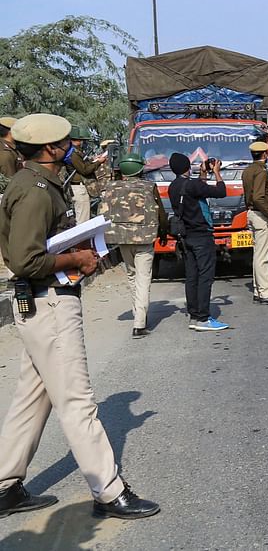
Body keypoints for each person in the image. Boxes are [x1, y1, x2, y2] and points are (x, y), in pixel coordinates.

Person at [0, 113, 160, 520]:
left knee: (31, 400)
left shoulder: (33, 182)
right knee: (77, 400)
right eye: (67, 143)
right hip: (51, 301)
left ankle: (4, 486)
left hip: (42, 304)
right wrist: (77, 256)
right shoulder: (36, 191)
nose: (73, 147)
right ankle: (109, 491)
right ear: (51, 149)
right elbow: (25, 258)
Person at [99, 152, 169, 338]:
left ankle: (137, 311)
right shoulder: (148, 187)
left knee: (131, 275)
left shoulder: (111, 187)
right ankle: (139, 323)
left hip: (121, 238)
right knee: (143, 278)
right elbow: (159, 212)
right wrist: (163, 232)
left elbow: (102, 214)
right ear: (140, 168)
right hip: (144, 239)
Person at [168, 152, 231, 331]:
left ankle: (194, 315)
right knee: (205, 276)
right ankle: (204, 318)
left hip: (186, 236)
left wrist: (203, 174)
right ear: (188, 167)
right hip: (202, 235)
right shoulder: (192, 185)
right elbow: (220, 191)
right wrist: (217, 172)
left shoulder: (174, 187)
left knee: (192, 277)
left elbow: (197, 190)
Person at [243, 140, 268, 304]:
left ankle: (258, 290)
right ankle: (266, 292)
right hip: (261, 215)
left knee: (257, 255)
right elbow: (258, 198)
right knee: (263, 257)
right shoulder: (261, 172)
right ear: (265, 154)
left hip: (251, 213)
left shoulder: (247, 170)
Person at [64, 125, 107, 223]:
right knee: (82, 220)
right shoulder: (73, 153)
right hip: (79, 188)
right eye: (82, 140)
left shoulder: (75, 152)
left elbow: (84, 164)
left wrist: (94, 159)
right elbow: (84, 170)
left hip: (81, 187)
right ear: (77, 140)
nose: (83, 143)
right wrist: (99, 162)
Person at [0, 116, 20, 282]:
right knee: (9, 234)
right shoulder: (5, 153)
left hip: (8, 195)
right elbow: (9, 180)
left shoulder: (11, 149)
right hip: (6, 196)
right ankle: (12, 271)